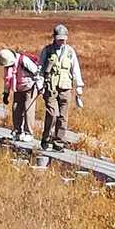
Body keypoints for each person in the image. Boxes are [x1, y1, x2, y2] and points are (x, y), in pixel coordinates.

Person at [38, 23, 84, 151]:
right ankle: (46, 139)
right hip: (50, 87)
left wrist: (79, 85)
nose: (61, 41)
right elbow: (40, 67)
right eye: (59, 39)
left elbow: (75, 69)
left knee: (63, 117)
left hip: (66, 87)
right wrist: (39, 82)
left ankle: (59, 143)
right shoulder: (47, 50)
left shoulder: (70, 52)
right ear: (54, 37)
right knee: (52, 114)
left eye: (63, 39)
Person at [0, 47, 42, 142]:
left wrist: (40, 87)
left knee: (28, 109)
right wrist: (6, 93)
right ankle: (18, 131)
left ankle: (28, 133)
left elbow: (37, 73)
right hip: (17, 88)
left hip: (30, 87)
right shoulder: (7, 66)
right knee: (16, 109)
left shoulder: (23, 60)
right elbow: (7, 80)